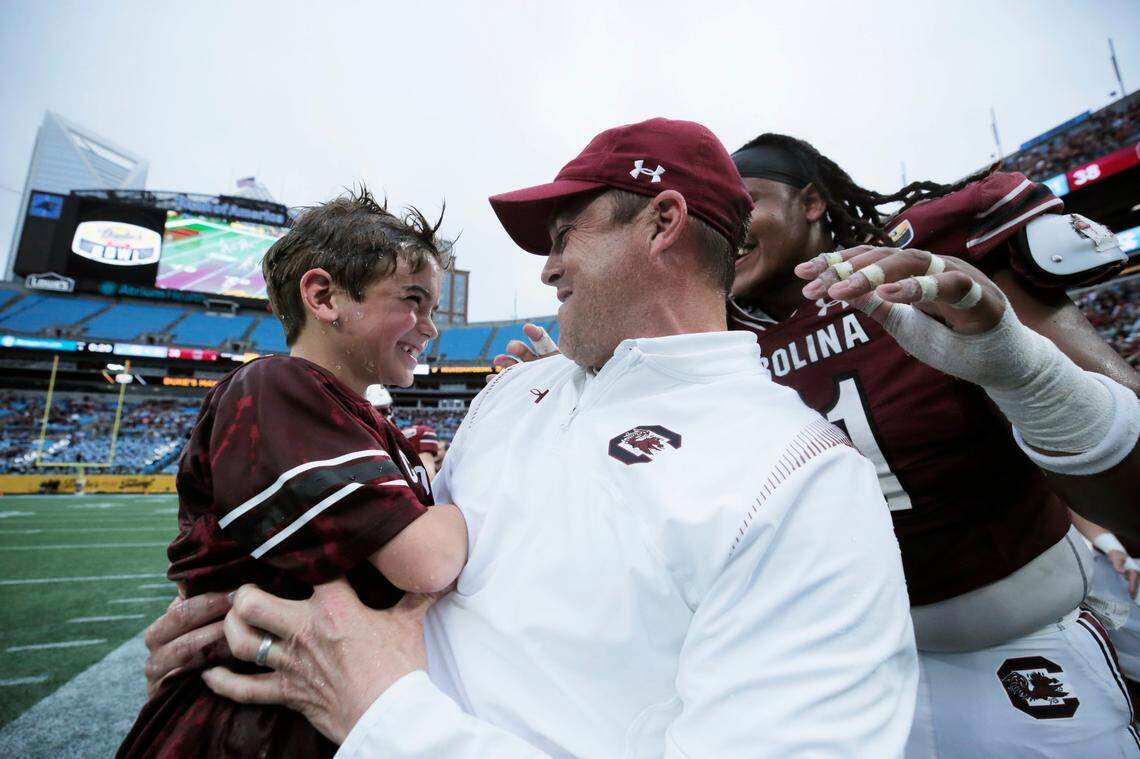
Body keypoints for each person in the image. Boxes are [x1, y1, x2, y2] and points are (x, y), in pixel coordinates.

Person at [152, 118, 918, 756]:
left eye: (563, 234)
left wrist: (385, 716)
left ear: (663, 222)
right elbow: (396, 574)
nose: (547, 268)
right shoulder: (517, 394)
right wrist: (240, 620)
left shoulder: (803, 480)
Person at [725, 133, 1140, 756]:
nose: (731, 230)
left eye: (747, 203)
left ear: (811, 202)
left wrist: (1015, 366)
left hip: (1029, 640)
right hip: (868, 673)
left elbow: (1120, 433)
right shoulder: (726, 342)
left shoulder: (925, 264)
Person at [118, 189, 468, 758]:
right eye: (413, 300)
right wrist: (455, 507)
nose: (429, 328)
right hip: (244, 723)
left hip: (317, 706)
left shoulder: (362, 418)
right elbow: (426, 561)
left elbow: (416, 463)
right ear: (324, 295)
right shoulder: (278, 386)